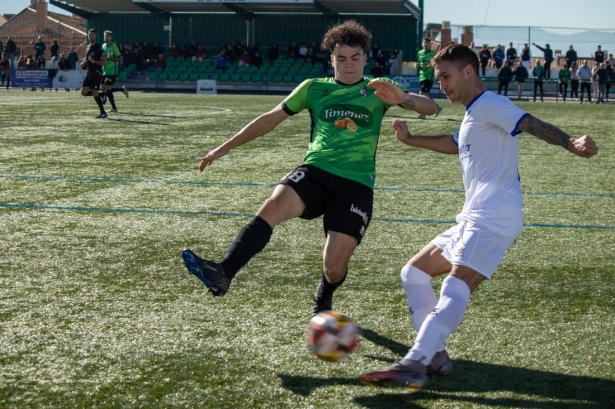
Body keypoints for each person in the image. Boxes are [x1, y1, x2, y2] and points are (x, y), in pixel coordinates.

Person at [359, 43, 599, 390]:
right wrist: (412, 140)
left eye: (446, 76)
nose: (441, 84)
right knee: (413, 273)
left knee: (454, 285)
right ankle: (435, 356)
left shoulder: (491, 104)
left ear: (468, 71)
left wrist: (571, 142)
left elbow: (530, 124)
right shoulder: (475, 114)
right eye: (438, 77)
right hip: (473, 217)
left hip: (494, 218)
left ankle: (414, 362)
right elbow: (455, 143)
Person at [180, 20, 437, 315]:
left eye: (355, 58)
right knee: (273, 205)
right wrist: (225, 146)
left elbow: (432, 108)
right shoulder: (314, 88)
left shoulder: (378, 89)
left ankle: (325, 293)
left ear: (365, 58)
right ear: (332, 60)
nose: (349, 65)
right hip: (315, 171)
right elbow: (270, 118)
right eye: (341, 59)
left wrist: (404, 99)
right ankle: (223, 271)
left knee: (334, 266)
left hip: (356, 185)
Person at [80, 29, 107, 119]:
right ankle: (102, 94)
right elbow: (88, 59)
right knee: (83, 92)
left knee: (95, 92)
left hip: (96, 72)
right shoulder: (88, 47)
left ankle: (103, 112)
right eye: (89, 35)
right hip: (89, 72)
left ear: (95, 36)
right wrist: (84, 63)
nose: (91, 36)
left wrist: (94, 61)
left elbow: (104, 62)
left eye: (92, 35)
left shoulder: (98, 48)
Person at [100, 30, 129, 113]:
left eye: (107, 36)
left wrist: (112, 58)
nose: (106, 37)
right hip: (104, 70)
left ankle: (114, 108)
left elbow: (121, 59)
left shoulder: (114, 46)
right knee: (102, 88)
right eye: (105, 36)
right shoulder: (103, 46)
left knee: (108, 88)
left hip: (112, 70)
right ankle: (122, 90)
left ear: (111, 37)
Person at [417, 37, 443, 119]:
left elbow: (437, 62)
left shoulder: (433, 53)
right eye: (424, 42)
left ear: (430, 45)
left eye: (427, 43)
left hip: (429, 77)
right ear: (422, 43)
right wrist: (417, 65)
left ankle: (423, 113)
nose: (425, 44)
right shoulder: (420, 53)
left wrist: (431, 65)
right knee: (424, 95)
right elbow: (420, 63)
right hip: (422, 76)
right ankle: (437, 107)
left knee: (422, 94)